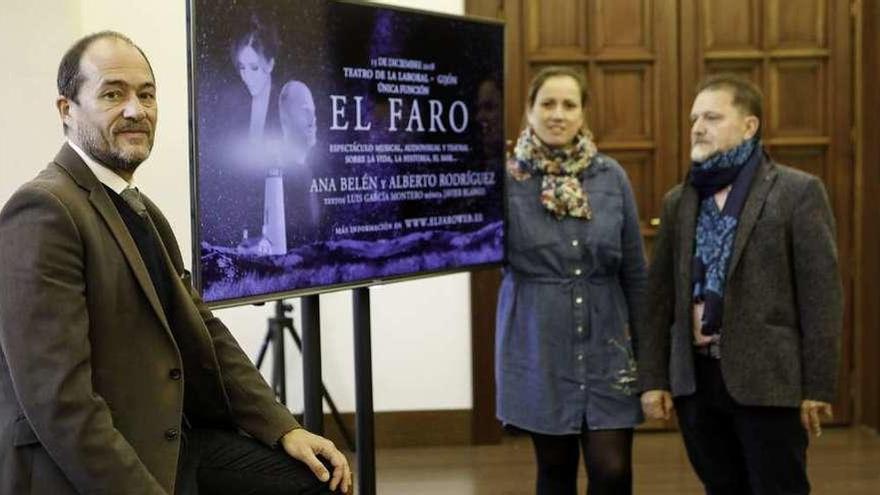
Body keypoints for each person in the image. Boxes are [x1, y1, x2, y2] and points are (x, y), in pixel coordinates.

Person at [0, 31, 351, 495]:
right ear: (67, 110)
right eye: (112, 93)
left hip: (168, 440)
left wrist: (284, 428)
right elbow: (61, 405)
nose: (136, 110)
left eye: (147, 95)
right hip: (89, 464)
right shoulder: (43, 210)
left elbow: (204, 332)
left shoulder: (140, 208)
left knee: (315, 480)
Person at [638, 74, 842, 494]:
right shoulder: (680, 199)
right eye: (695, 117)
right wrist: (655, 377)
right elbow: (660, 298)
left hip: (769, 382)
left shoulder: (797, 191)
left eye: (712, 117)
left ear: (749, 126)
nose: (697, 127)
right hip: (697, 383)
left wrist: (817, 385)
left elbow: (822, 296)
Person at [495, 66, 647, 495]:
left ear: (583, 113)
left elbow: (635, 272)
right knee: (555, 470)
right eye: (547, 103)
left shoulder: (611, 177)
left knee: (613, 470)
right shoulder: (505, 180)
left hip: (609, 345)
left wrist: (651, 358)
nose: (557, 114)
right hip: (539, 343)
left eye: (568, 104)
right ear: (529, 111)